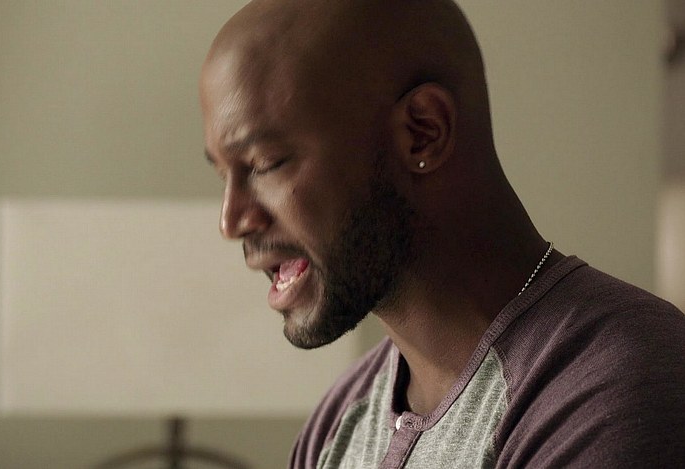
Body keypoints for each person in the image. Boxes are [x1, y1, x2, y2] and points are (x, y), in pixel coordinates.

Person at [199, 0, 685, 467]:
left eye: (264, 163)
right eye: (224, 175)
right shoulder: (337, 423)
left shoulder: (615, 390)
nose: (232, 220)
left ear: (423, 132)